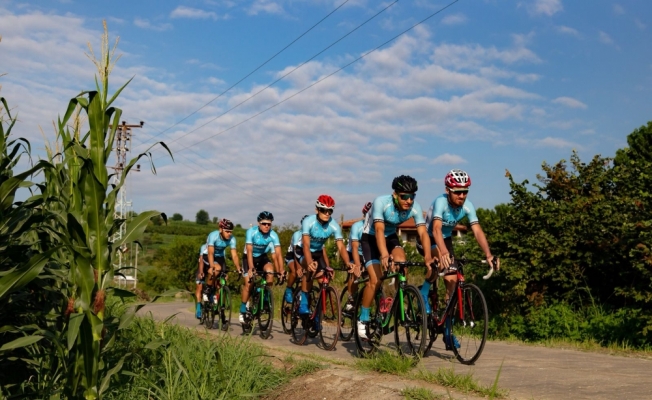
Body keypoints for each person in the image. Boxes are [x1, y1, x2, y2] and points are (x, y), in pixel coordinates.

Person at [419, 169, 500, 350]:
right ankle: (423, 293)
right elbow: (437, 229)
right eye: (457, 192)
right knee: (439, 261)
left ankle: (447, 330)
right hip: (428, 237)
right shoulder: (440, 202)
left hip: (445, 240)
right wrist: (443, 252)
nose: (462, 195)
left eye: (465, 192)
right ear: (448, 190)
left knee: (452, 280)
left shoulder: (467, 205)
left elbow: (477, 230)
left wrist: (489, 254)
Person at [357, 175, 434, 339]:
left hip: (390, 236)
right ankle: (363, 318)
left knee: (402, 263)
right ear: (395, 195)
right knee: (375, 279)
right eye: (404, 196)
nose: (408, 200)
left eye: (412, 196)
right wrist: (384, 254)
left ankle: (401, 302)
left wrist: (427, 256)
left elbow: (423, 233)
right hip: (370, 237)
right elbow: (378, 230)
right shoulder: (381, 202)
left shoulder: (415, 208)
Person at [296, 195, 354, 315]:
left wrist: (348, 262)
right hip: (302, 250)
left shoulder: (334, 225)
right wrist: (309, 262)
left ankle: (318, 313)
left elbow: (341, 246)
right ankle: (304, 303)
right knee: (310, 268)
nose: (327, 213)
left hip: (317, 252)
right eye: (323, 210)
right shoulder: (308, 222)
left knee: (324, 280)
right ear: (317, 210)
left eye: (330, 211)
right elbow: (306, 246)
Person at [239, 211, 282, 324]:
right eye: (264, 223)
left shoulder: (273, 235)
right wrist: (251, 267)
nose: (266, 226)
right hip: (248, 258)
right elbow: (249, 251)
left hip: (262, 257)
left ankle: (265, 297)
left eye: (269, 224)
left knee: (270, 272)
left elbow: (277, 254)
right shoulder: (251, 232)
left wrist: (281, 270)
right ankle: (243, 307)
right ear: (259, 223)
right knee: (249, 283)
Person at [343, 202, 372, 311]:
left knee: (372, 279)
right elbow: (354, 247)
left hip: (366, 253)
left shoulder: (376, 228)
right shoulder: (357, 227)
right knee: (355, 272)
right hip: (353, 252)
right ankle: (351, 299)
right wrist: (358, 265)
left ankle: (365, 301)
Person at [194, 243, 209, 319]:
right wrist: (200, 272)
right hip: (202, 267)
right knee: (199, 287)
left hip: (210, 268)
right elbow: (201, 261)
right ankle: (199, 308)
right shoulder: (204, 247)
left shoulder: (220, 249)